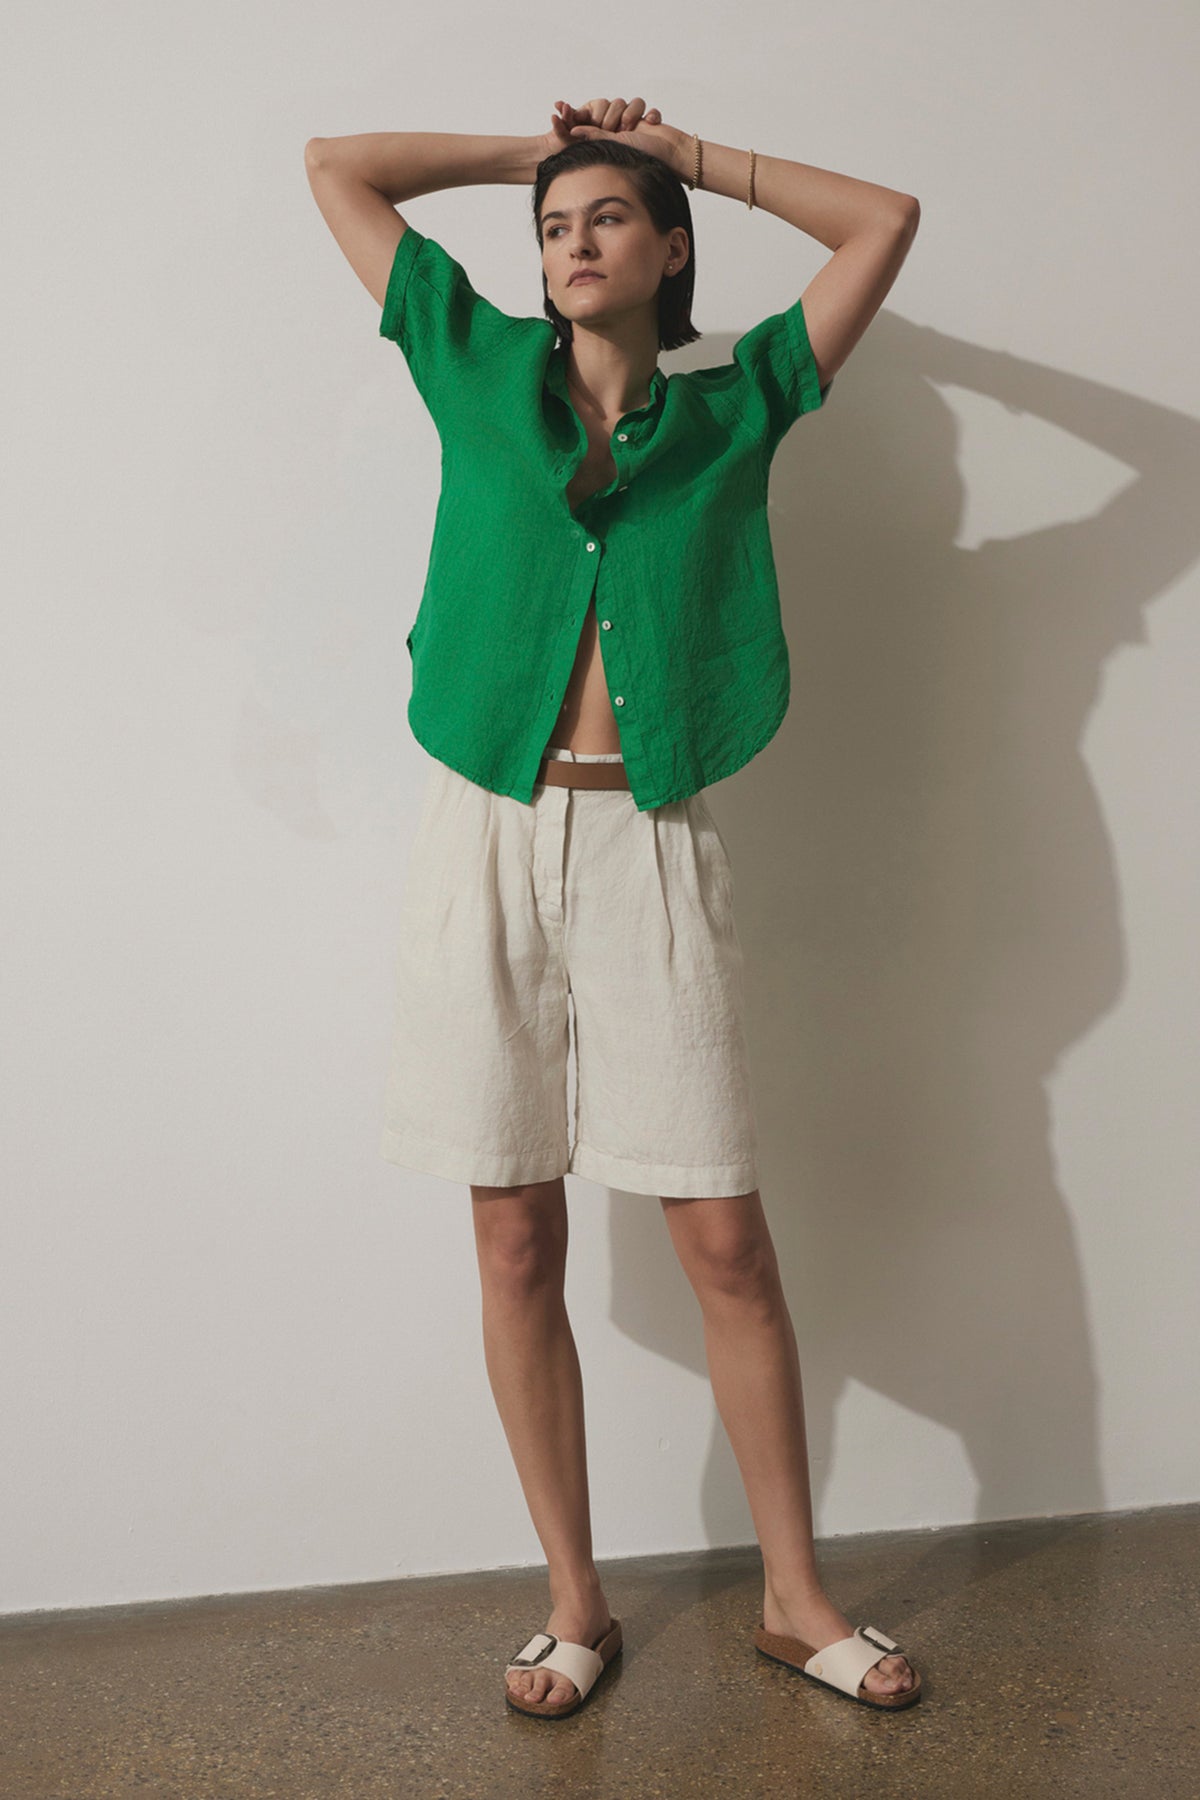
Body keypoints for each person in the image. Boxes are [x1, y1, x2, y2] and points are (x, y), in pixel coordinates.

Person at [305, 96, 923, 1720]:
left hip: (652, 840)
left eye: (605, 223)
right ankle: (574, 1602)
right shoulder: (470, 364)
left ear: (670, 254)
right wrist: (535, 153)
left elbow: (885, 220)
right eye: (554, 228)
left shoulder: (741, 409)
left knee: (724, 1236)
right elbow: (337, 170)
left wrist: (683, 157)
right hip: (487, 834)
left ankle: (796, 1598)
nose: (571, 245)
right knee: (514, 1230)